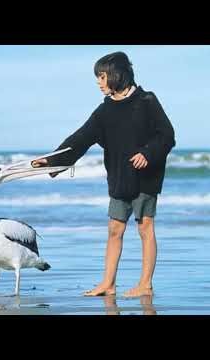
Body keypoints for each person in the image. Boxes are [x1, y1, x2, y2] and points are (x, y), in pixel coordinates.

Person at [32, 51, 176, 297]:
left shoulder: (147, 101)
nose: (99, 82)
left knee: (145, 228)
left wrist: (148, 153)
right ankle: (108, 284)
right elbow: (80, 139)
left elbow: (167, 135)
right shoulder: (105, 111)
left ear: (116, 74)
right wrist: (51, 161)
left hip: (146, 177)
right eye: (97, 78)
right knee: (114, 230)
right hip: (120, 177)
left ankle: (145, 285)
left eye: (102, 76)